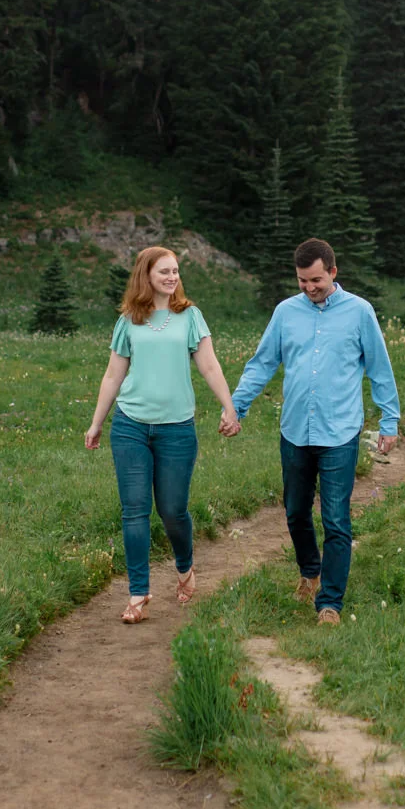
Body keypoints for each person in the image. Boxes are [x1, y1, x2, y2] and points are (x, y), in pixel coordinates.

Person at [232, 238, 400, 625]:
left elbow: (379, 368)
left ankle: (330, 604)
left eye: (316, 281)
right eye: (302, 281)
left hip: (339, 432)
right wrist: (237, 407)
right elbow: (262, 364)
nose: (309, 288)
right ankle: (310, 571)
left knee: (337, 519)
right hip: (294, 430)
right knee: (294, 512)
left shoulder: (360, 312)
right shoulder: (285, 312)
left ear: (333, 273)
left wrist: (389, 421)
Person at [85, 246, 241, 623]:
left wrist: (229, 405)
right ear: (146, 275)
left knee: (172, 512)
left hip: (176, 430)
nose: (172, 278)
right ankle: (138, 594)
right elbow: (113, 375)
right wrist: (97, 422)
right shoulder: (129, 320)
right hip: (131, 426)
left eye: (175, 272)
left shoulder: (189, 316)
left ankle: (185, 567)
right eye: (164, 272)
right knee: (134, 511)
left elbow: (208, 364)